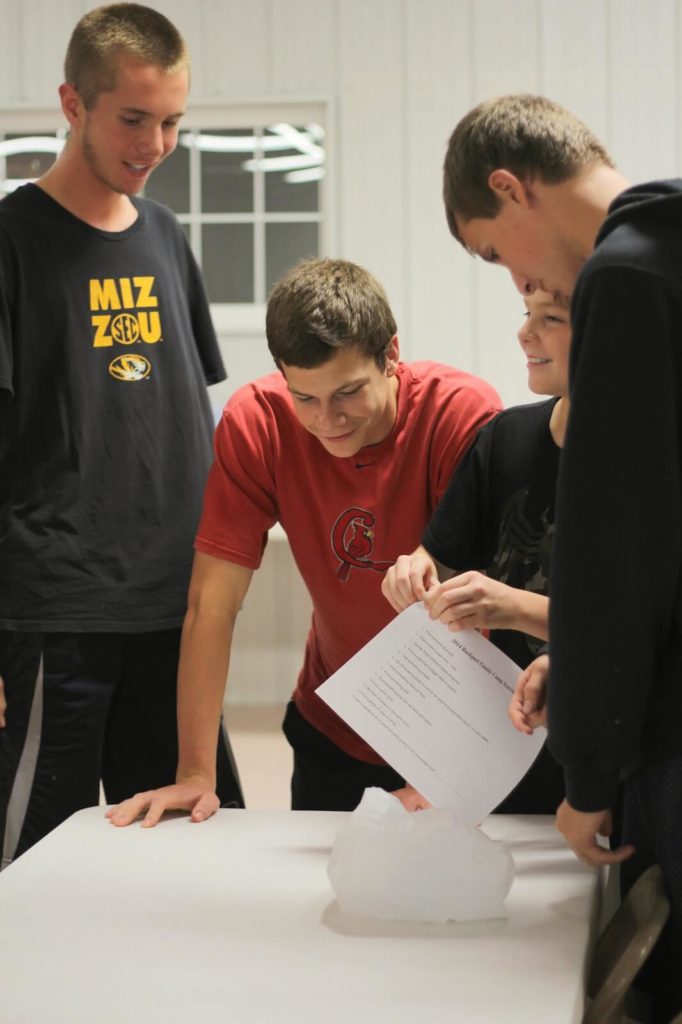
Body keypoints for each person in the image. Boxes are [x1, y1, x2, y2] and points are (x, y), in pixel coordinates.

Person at [106, 257, 501, 824]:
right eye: (305, 397)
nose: (327, 420)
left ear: (391, 355)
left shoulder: (460, 414)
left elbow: (482, 606)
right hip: (335, 724)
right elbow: (211, 604)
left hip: (458, 727)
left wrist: (435, 771)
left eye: (347, 393)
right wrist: (194, 772)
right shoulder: (258, 421)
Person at [442, 92, 682, 1022]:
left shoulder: (623, 278)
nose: (519, 285)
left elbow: (620, 549)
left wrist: (587, 771)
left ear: (511, 187)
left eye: (499, 252)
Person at [0, 2, 244, 869]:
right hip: (55, 609)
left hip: (174, 612)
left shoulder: (168, 238)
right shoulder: (11, 240)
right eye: (133, 119)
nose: (155, 143)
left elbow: (182, 418)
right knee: (32, 864)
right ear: (73, 104)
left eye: (173, 121)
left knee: (189, 852)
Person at [382, 288, 569, 814]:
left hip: (610, 758)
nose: (524, 333)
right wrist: (415, 571)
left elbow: (647, 634)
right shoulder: (506, 438)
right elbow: (438, 559)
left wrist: (514, 607)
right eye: (526, 314)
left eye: (550, 319)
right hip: (506, 750)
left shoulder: (650, 465)